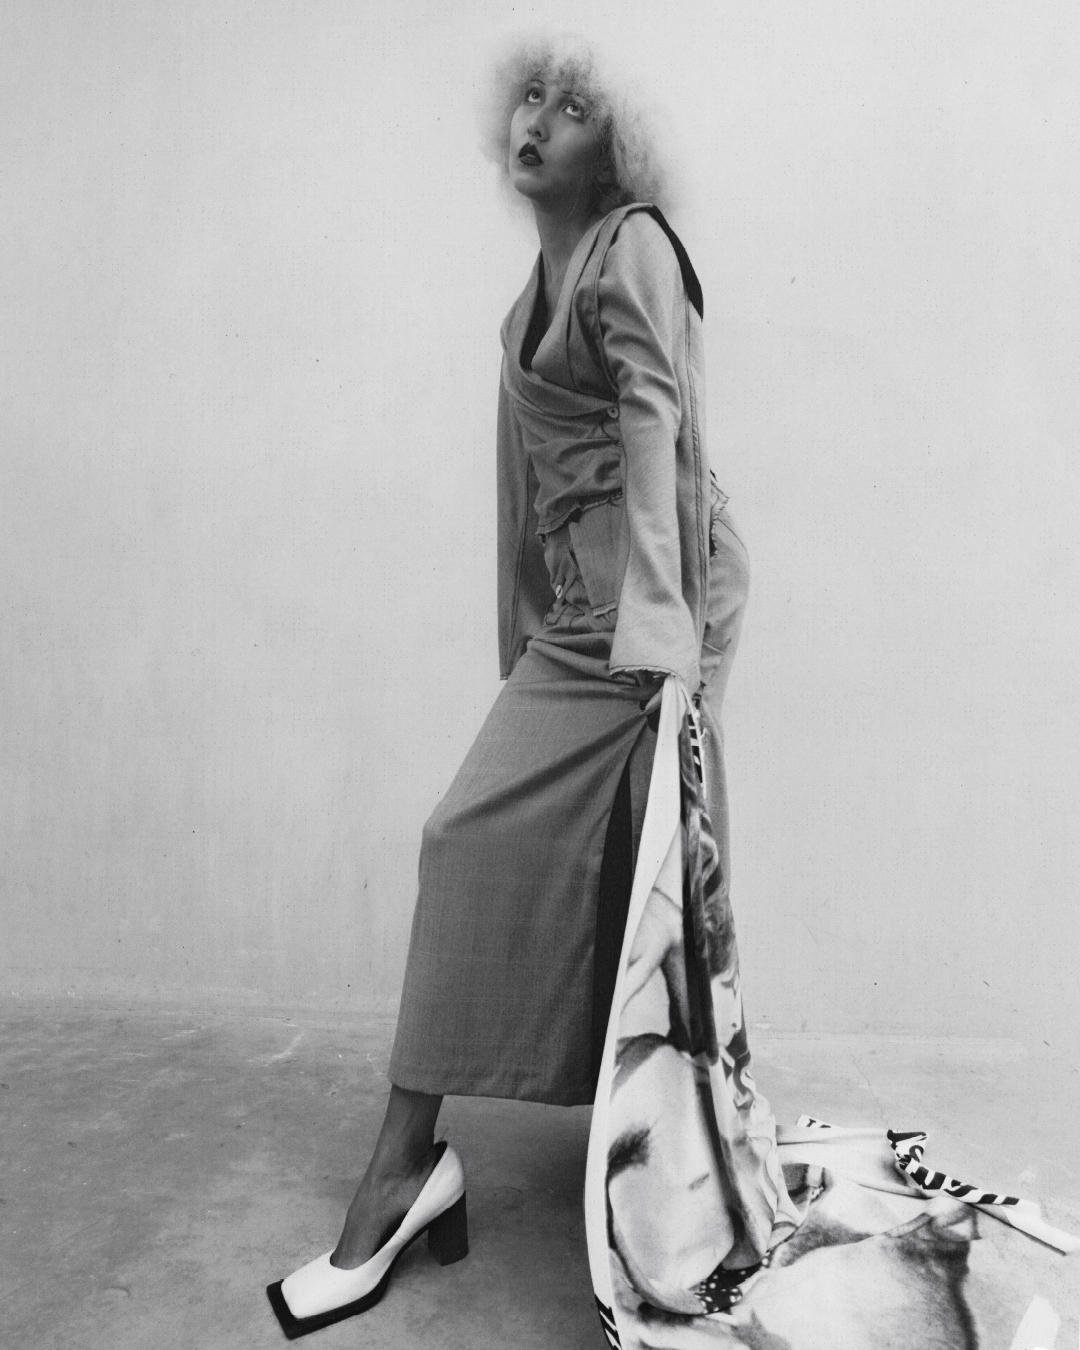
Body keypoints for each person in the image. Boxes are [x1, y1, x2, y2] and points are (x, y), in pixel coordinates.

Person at [266, 32, 777, 1338]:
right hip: (585, 619)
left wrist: (665, 649)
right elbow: (533, 482)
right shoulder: (536, 290)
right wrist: (530, 639)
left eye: (573, 103)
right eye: (530, 96)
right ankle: (421, 1171)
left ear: (615, 144)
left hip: (654, 603)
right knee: (513, 851)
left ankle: (628, 1176)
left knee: (655, 879)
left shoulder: (635, 248)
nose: (538, 119)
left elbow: (661, 427)